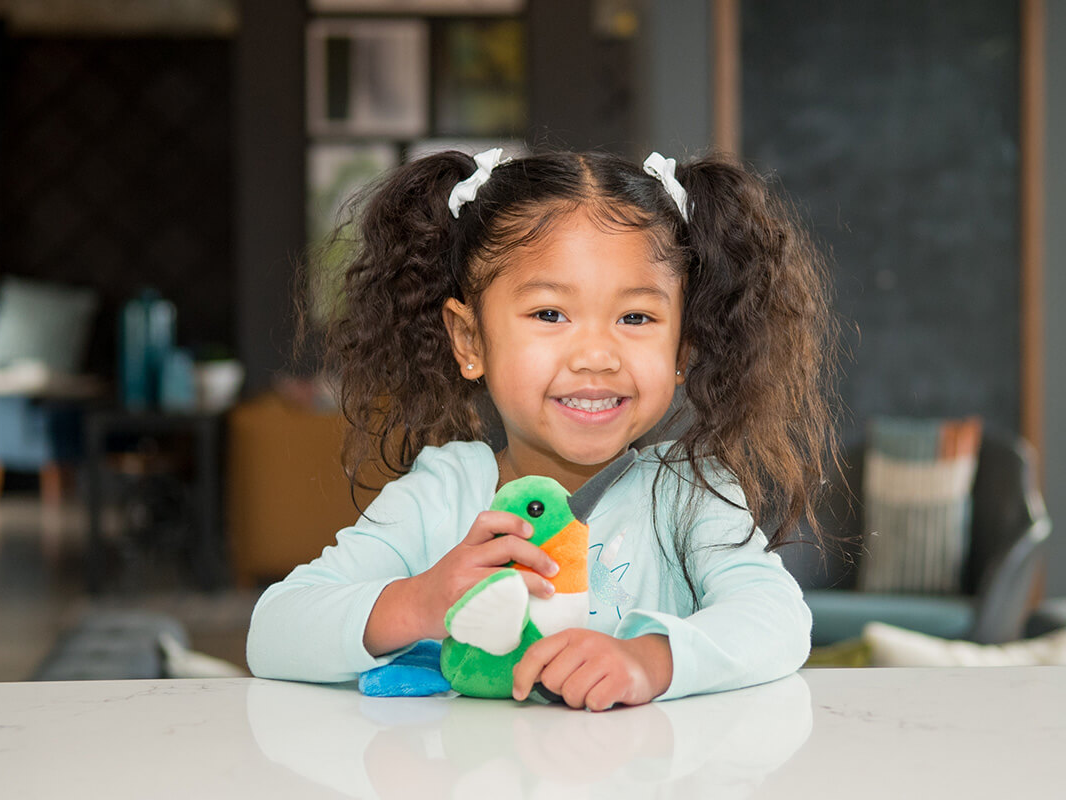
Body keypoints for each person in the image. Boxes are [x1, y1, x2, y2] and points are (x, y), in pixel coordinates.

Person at [247, 147, 837, 710]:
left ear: (683, 347)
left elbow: (777, 618)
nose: (596, 355)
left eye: (636, 317)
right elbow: (273, 631)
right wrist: (420, 601)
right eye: (549, 314)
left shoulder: (689, 495)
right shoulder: (441, 494)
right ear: (470, 340)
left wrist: (649, 661)